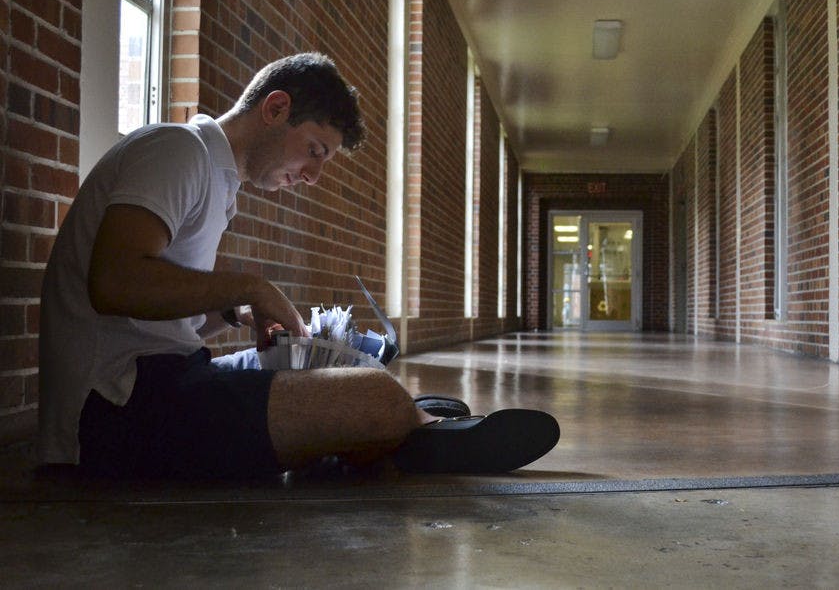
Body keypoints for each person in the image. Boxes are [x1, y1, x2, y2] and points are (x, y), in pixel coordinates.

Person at [37, 52, 558, 480]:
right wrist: (252, 287)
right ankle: (403, 430)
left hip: (162, 378)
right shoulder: (178, 151)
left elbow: (159, 318)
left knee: (340, 371)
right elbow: (114, 281)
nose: (311, 175)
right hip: (115, 412)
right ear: (275, 107)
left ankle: (404, 424)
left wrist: (234, 310)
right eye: (314, 150)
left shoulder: (218, 183)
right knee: (371, 395)